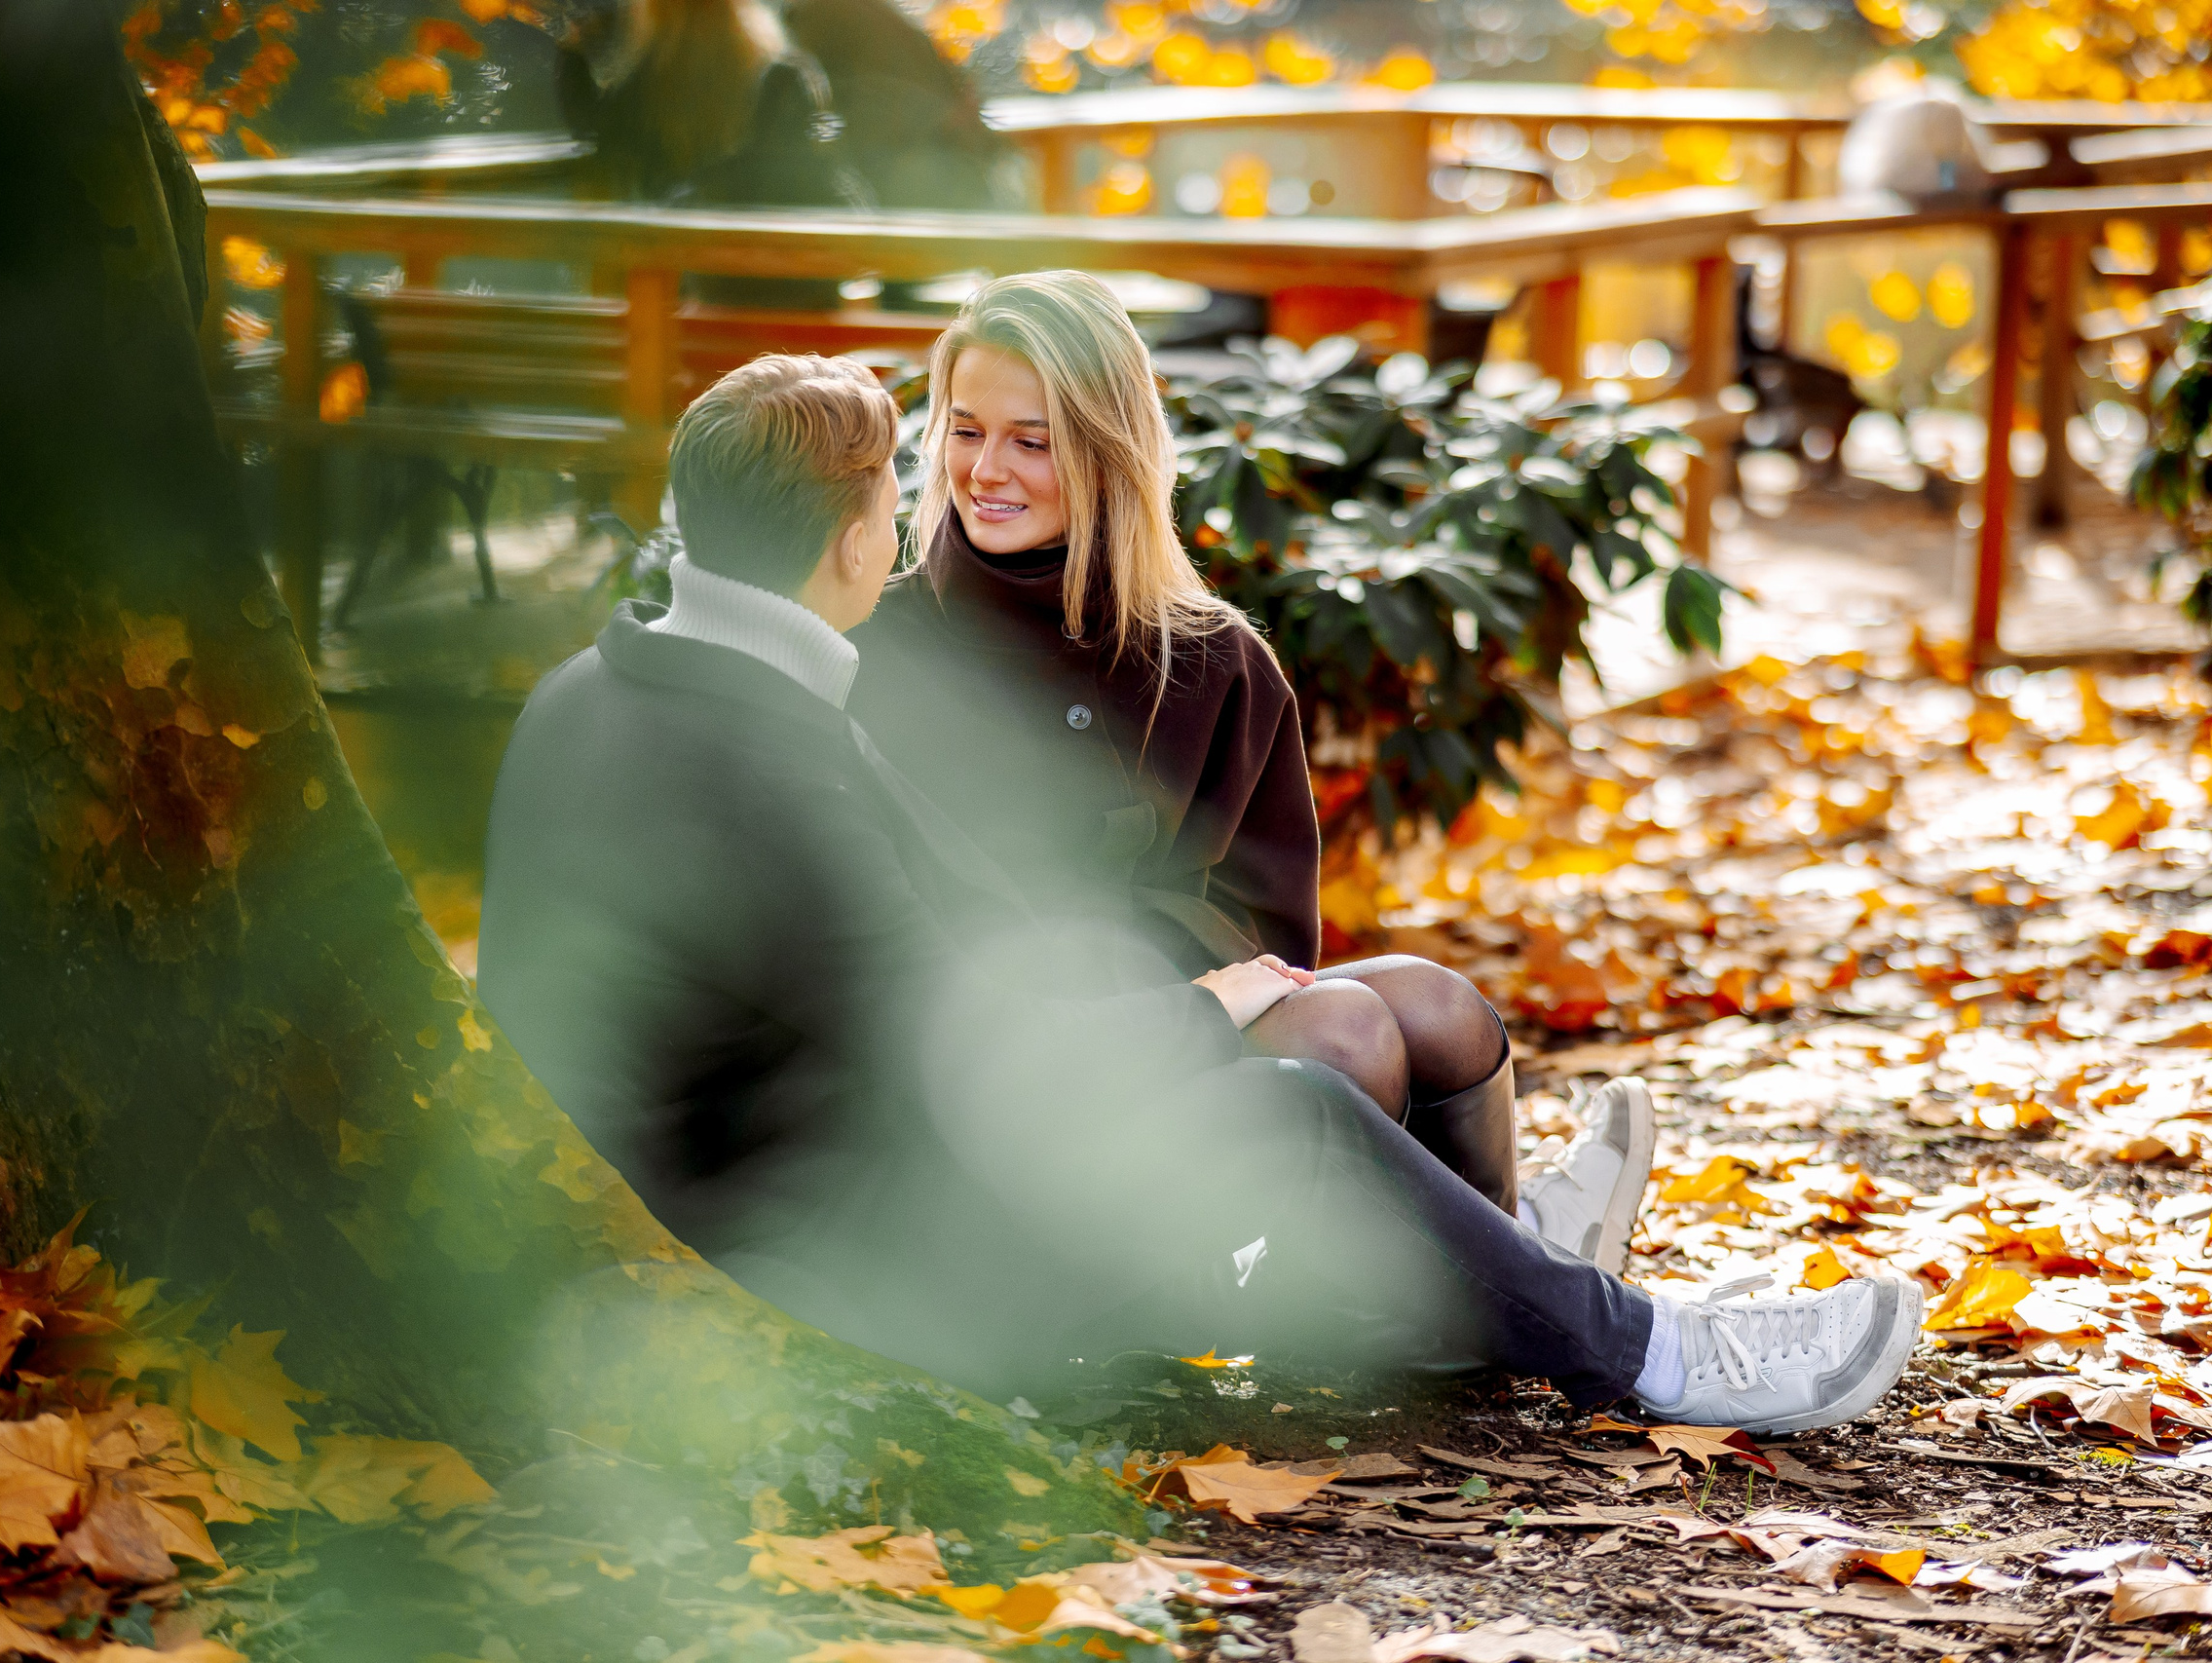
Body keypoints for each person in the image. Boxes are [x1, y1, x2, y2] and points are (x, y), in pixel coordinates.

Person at [477, 351, 1924, 1433]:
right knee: (1292, 1102)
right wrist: (1201, 1010)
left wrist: (1165, 1003)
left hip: (768, 1190)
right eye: (897, 491)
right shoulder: (761, 752)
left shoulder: (620, 685)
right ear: (853, 537)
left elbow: (959, 956)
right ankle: (1653, 1348)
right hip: (822, 1275)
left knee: (1336, 1029)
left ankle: (1507, 1285)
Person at [846, 272, 1564, 1239]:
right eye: (965, 430)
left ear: (1108, 452)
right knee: (1344, 1031)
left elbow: (1271, 921)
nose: (984, 470)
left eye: (1031, 440)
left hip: (1201, 1015)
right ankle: (1446, 1304)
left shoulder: (1210, 656)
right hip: (1027, 1061)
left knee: (1443, 1009)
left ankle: (1499, 1271)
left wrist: (1201, 988)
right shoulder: (877, 649)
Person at [553, 0, 863, 307]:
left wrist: (573, 53)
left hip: (701, 282)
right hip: (787, 278)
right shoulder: (773, 65)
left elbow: (602, 133)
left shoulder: (656, 75)